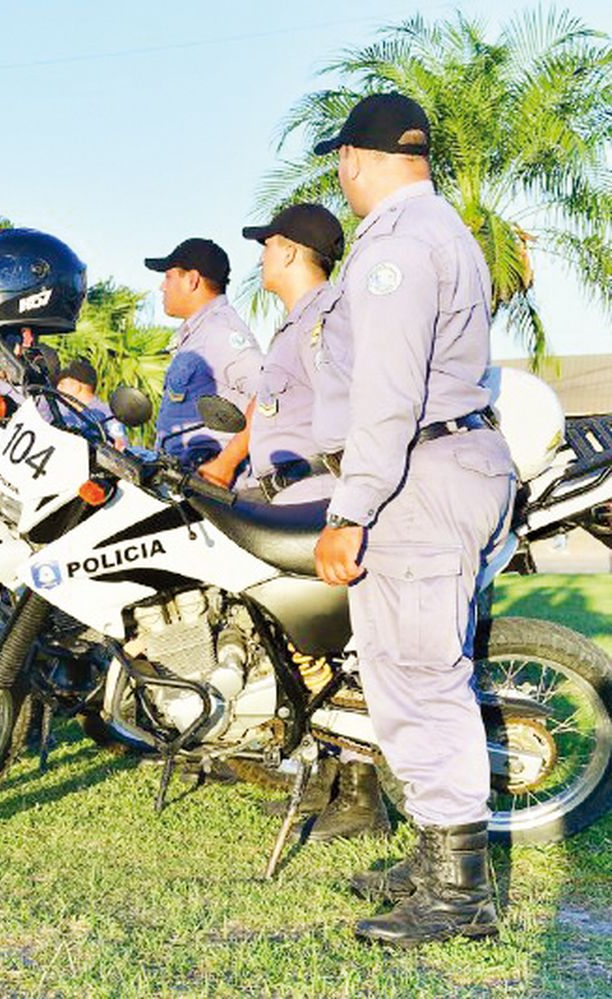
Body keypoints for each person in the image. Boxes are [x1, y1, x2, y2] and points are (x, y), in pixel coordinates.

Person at [311, 92, 515, 947]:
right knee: (409, 676)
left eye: (340, 165)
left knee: (422, 679)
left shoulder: (395, 245)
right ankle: (436, 860)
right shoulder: (445, 231)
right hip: (441, 466)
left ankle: (461, 894)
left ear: (355, 160)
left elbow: (389, 395)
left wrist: (349, 510)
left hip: (417, 479)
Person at [197, 204, 349, 505]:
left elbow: (352, 415)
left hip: (319, 497)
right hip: (293, 496)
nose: (260, 258)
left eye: (267, 247)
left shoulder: (324, 317)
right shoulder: (297, 325)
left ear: (290, 252)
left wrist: (350, 512)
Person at [143, 238, 262, 465]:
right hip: (184, 480)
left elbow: (268, 391)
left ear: (192, 280)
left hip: (210, 489)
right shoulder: (196, 334)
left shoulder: (219, 332)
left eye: (168, 277)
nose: (162, 286)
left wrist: (225, 465)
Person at [57, 358, 127, 447]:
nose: (58, 388)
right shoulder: (58, 409)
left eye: (62, 384)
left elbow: (119, 447)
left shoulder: (107, 415)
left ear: (77, 386)